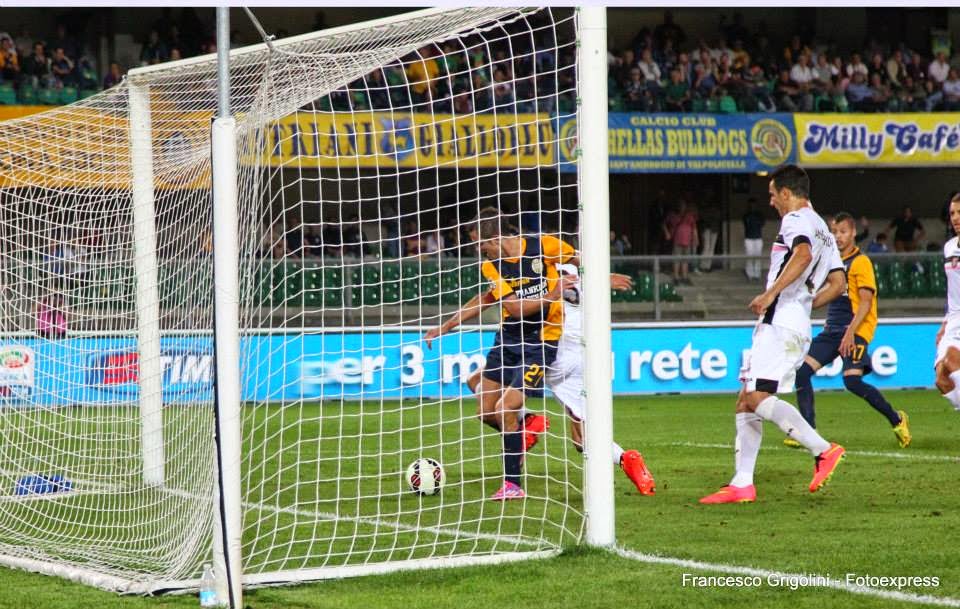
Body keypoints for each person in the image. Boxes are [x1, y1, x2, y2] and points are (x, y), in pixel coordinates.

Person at [426, 265, 656, 496]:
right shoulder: (575, 269)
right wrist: (603, 277)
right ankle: (626, 458)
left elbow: (494, 299)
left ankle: (525, 424)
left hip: (551, 349)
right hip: (580, 350)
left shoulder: (538, 267)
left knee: (498, 402)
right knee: (580, 439)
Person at [700, 165, 847, 505]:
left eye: (772, 194)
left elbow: (802, 254)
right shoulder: (823, 228)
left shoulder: (795, 219)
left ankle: (822, 449)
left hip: (780, 322)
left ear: (786, 192)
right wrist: (805, 304)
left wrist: (772, 294)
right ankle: (742, 483)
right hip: (794, 322)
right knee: (746, 398)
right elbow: (838, 283)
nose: (770, 201)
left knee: (755, 397)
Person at [425, 208, 573, 501]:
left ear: (494, 238)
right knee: (485, 411)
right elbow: (498, 303)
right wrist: (446, 326)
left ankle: (513, 485)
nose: (479, 250)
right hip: (508, 339)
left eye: (480, 243)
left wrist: (601, 279)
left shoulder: (544, 245)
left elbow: (582, 261)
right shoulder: (491, 265)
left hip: (541, 341)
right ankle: (525, 425)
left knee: (505, 409)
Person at [788, 212, 911, 449]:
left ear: (853, 233)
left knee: (852, 381)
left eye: (843, 232)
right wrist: (803, 305)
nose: (838, 236)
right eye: (834, 232)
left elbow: (865, 302)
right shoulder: (832, 262)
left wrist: (850, 333)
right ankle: (808, 432)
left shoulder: (860, 262)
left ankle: (897, 419)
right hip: (832, 331)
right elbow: (827, 294)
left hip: (854, 330)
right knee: (801, 373)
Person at [935, 193, 960, 411]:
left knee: (952, 358)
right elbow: (953, 291)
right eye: (952, 213)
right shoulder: (949, 247)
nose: (955, 218)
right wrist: (944, 323)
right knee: (941, 379)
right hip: (953, 320)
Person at [664, 199, 698, 285]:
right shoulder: (672, 215)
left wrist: (696, 238)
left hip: (687, 241)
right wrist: (667, 233)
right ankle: (676, 277)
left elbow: (694, 228)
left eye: (683, 205)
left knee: (685, 260)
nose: (682, 207)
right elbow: (663, 223)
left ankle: (684, 276)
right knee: (677, 259)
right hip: (677, 240)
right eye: (680, 205)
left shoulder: (689, 216)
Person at [742, 198, 765, 280]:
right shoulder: (746, 215)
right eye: (751, 205)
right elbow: (746, 224)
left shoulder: (759, 215)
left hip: (758, 237)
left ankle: (757, 274)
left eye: (754, 205)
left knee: (758, 256)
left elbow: (762, 224)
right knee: (749, 256)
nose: (752, 206)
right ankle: (750, 274)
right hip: (749, 238)